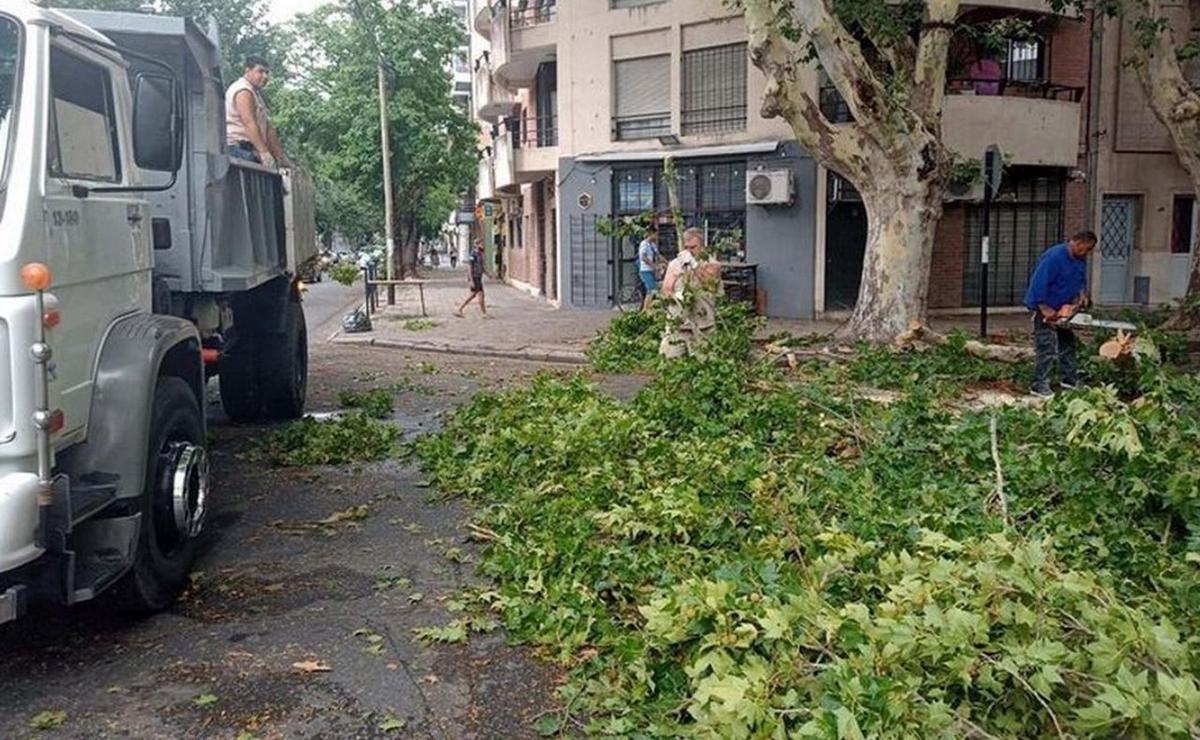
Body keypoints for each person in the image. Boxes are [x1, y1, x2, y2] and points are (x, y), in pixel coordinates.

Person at [1023, 230, 1097, 397]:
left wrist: (1082, 295)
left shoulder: (1079, 259)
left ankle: (1069, 379)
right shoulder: (1054, 257)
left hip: (1065, 308)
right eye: (1085, 249)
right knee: (1047, 347)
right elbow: (1038, 282)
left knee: (1068, 344)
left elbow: (1079, 279)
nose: (1086, 253)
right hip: (1046, 308)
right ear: (1077, 243)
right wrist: (1044, 308)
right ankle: (1038, 384)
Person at [226, 55, 289, 169]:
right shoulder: (243, 90)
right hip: (238, 149)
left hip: (250, 148)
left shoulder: (256, 94)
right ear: (248, 71)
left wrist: (281, 158)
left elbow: (269, 129)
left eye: (267, 73)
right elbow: (248, 122)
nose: (265, 76)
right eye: (260, 71)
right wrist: (264, 153)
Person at [453, 241, 490, 318]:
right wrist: (471, 280)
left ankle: (460, 309)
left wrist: (488, 274)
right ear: (476, 245)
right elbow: (469, 268)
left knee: (476, 295)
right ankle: (483, 313)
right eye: (481, 244)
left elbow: (482, 266)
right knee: (477, 295)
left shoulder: (480, 254)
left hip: (478, 277)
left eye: (483, 244)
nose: (483, 246)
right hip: (474, 277)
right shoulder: (473, 255)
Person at [637, 226, 664, 311]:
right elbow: (643, 257)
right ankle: (645, 311)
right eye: (655, 235)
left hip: (651, 271)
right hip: (645, 271)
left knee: (654, 290)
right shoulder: (644, 244)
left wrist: (668, 263)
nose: (656, 237)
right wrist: (654, 266)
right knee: (652, 290)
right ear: (651, 234)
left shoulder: (652, 245)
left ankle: (649, 309)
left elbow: (658, 255)